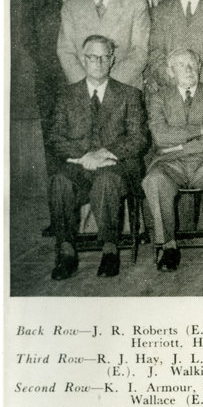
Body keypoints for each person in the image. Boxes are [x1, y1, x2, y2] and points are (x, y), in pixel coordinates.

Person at [48, 35, 147, 280]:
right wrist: (84, 156)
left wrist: (105, 153)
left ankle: (110, 250)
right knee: (60, 180)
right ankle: (67, 251)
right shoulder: (66, 95)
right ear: (83, 60)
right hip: (80, 166)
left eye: (105, 57)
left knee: (106, 180)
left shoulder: (129, 94)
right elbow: (55, 138)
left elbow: (139, 138)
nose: (99, 62)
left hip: (116, 167)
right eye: (93, 57)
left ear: (112, 60)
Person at [142, 48, 203, 271]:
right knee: (154, 180)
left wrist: (181, 146)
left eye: (192, 64)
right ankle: (168, 246)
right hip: (169, 165)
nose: (189, 69)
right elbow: (160, 137)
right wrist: (201, 129)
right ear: (170, 71)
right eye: (182, 65)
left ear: (200, 67)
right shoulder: (159, 97)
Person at [21, 0, 88, 182]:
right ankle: (61, 215)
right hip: (51, 83)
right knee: (55, 144)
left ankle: (89, 214)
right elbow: (29, 40)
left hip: (87, 80)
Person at [56, 0, 149, 89]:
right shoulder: (71, 7)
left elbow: (140, 51)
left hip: (124, 86)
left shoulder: (135, 4)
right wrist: (86, 85)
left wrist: (109, 86)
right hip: (84, 90)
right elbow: (66, 51)